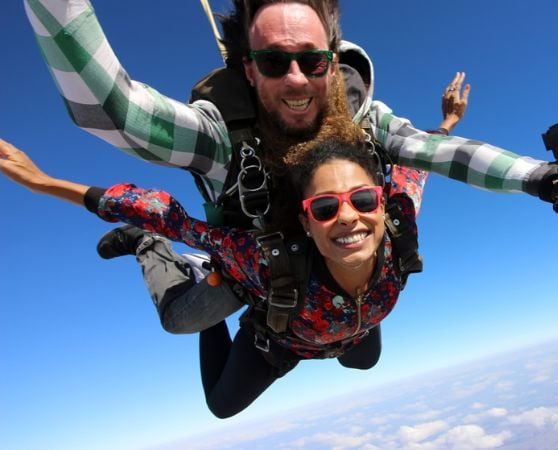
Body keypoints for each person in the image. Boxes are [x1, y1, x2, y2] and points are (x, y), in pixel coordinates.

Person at [23, 0, 558, 336]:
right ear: (248, 69)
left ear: (334, 64)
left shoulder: (365, 124)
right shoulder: (222, 138)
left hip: (336, 274)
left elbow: (437, 157)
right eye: (273, 61)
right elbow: (115, 111)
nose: (296, 80)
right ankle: (151, 250)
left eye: (312, 61)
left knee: (362, 342)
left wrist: (552, 179)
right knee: (184, 320)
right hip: (246, 260)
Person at [0, 112, 425, 417]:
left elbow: (416, 169)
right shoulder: (265, 257)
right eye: (326, 207)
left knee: (364, 360)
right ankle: (175, 260)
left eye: (363, 199)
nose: (349, 216)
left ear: (382, 203)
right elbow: (171, 220)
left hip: (348, 332)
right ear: (305, 222)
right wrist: (46, 184)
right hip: (277, 336)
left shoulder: (399, 228)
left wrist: (444, 126)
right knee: (218, 398)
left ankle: (243, 286)